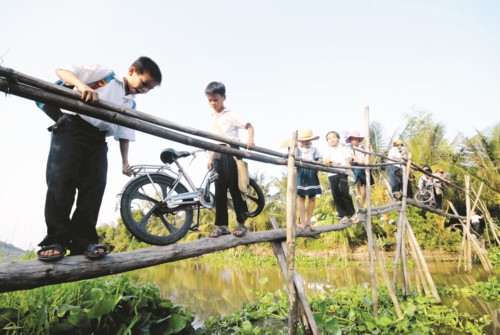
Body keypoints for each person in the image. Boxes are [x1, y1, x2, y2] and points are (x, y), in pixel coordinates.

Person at [37, 57, 162, 262]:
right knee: (61, 183)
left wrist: (125, 161)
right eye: (144, 84)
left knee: (94, 188)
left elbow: (124, 133)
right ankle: (55, 240)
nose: (145, 90)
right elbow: (62, 70)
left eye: (150, 89)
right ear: (132, 71)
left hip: (98, 140)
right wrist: (82, 85)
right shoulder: (106, 75)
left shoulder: (130, 103)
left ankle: (83, 242)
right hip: (72, 127)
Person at [205, 82, 255, 238]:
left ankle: (241, 223)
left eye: (216, 100)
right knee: (219, 191)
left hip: (232, 152)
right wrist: (210, 157)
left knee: (236, 188)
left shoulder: (231, 114)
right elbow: (214, 141)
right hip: (218, 154)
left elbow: (249, 126)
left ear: (224, 98)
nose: (213, 103)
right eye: (210, 100)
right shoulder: (211, 118)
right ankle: (222, 225)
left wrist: (250, 139)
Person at [323, 131, 359, 224]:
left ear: (338, 139)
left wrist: (347, 163)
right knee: (336, 194)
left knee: (344, 191)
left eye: (333, 137)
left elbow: (347, 158)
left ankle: (353, 213)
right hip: (332, 174)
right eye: (329, 139)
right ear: (327, 141)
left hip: (342, 172)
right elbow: (326, 160)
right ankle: (343, 215)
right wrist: (329, 162)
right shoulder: (327, 150)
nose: (332, 140)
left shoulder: (343, 148)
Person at [295, 128, 322, 231]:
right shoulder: (295, 149)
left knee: (312, 198)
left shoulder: (315, 150)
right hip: (301, 173)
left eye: (308, 139)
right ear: (300, 141)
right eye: (303, 140)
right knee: (301, 198)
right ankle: (302, 222)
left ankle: (308, 221)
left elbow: (318, 161)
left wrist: (324, 162)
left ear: (311, 140)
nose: (305, 142)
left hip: (312, 173)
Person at [346, 130, 374, 208]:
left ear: (358, 140)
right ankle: (358, 192)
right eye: (352, 140)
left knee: (366, 184)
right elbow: (353, 156)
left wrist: (369, 148)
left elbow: (369, 153)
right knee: (357, 175)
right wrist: (360, 162)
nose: (354, 141)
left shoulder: (363, 147)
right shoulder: (351, 149)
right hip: (357, 164)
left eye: (355, 139)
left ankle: (362, 202)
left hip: (365, 165)